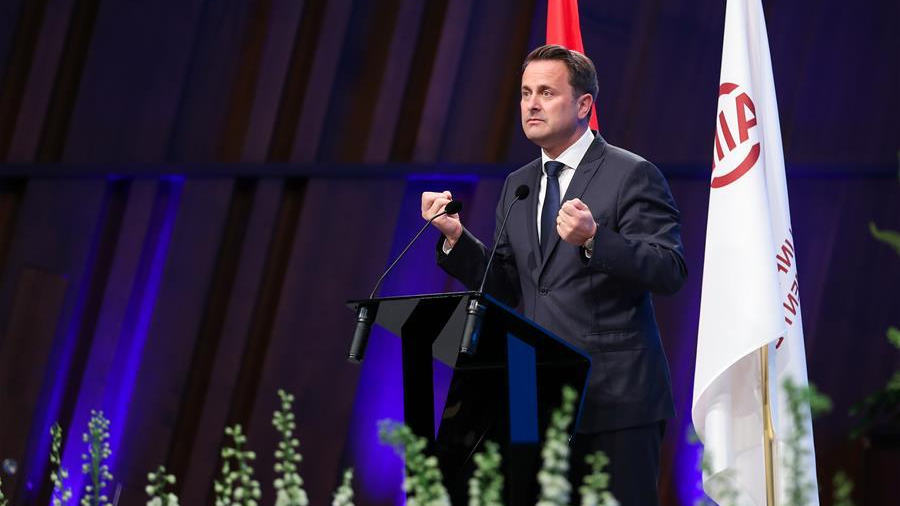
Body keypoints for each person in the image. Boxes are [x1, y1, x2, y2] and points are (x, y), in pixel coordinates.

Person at [421, 44, 687, 505]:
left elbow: (669, 269)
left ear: (584, 105)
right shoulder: (519, 183)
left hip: (614, 401)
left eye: (546, 92)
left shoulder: (631, 174)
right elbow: (507, 285)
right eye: (526, 93)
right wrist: (456, 238)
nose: (532, 104)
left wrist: (595, 239)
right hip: (536, 397)